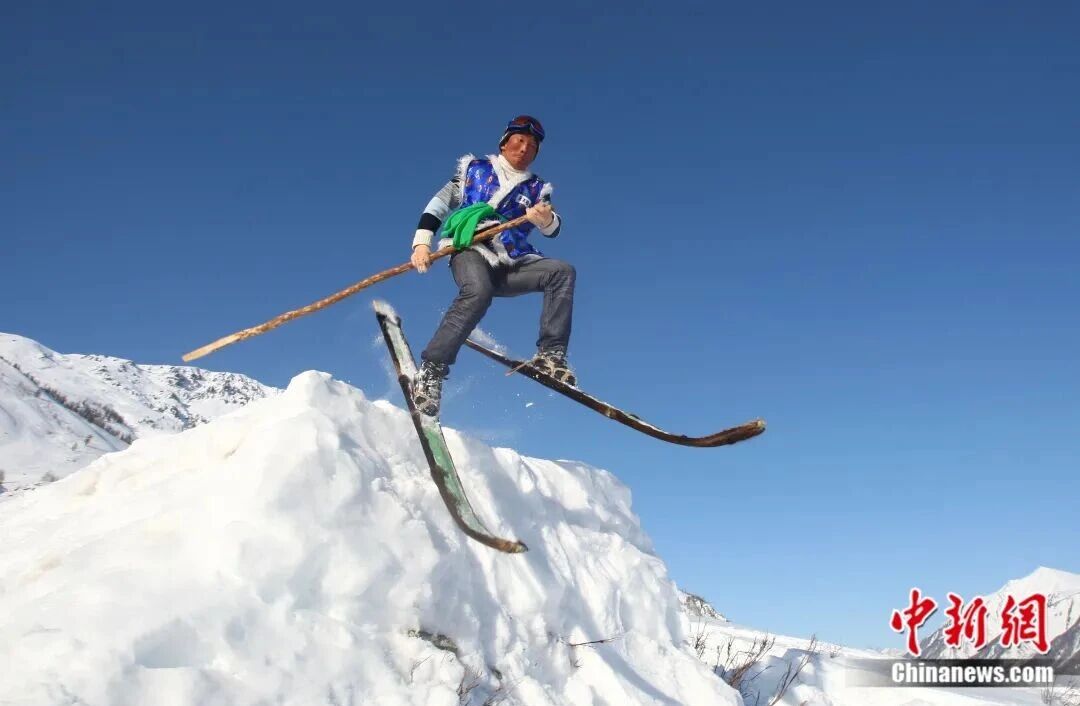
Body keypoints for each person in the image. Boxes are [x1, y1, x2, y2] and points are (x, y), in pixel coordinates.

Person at [408, 115, 577, 416]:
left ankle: (551, 355)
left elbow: (554, 227)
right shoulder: (474, 170)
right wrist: (421, 242)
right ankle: (431, 371)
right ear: (505, 141)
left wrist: (545, 219)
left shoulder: (537, 188)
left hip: (511, 261)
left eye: (532, 145)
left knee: (561, 272)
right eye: (519, 140)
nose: (524, 148)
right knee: (478, 290)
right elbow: (438, 205)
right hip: (471, 249)